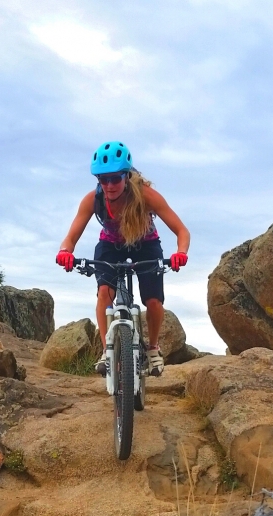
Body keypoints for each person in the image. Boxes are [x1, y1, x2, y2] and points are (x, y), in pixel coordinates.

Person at [56, 141, 190, 376]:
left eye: (115, 178)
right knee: (104, 293)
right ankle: (107, 350)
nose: (109, 185)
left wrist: (180, 253)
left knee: (153, 301)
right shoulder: (93, 200)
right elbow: (71, 237)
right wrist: (65, 252)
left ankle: (153, 348)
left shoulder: (146, 196)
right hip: (111, 245)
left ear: (126, 176)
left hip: (145, 244)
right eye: (102, 179)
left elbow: (182, 231)